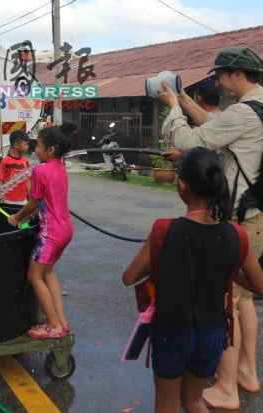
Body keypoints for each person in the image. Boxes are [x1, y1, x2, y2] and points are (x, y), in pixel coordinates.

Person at [156, 47, 263, 410]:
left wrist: (172, 106)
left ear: (236, 74)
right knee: (243, 297)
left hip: (239, 214)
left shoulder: (246, 113)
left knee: (225, 303)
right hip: (256, 214)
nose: (216, 82)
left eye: (219, 75)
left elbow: (189, 140)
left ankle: (227, 388)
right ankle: (246, 372)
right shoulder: (255, 108)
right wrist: (184, 96)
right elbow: (211, 126)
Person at [122, 147, 263, 413]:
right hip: (212, 332)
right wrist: (230, 271)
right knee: (195, 401)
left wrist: (154, 252)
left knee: (167, 405)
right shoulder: (236, 236)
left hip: (172, 331)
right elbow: (259, 286)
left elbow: (129, 277)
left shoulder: (163, 230)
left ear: (182, 184)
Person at [7, 123, 75, 338]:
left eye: (39, 147)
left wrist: (17, 218)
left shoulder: (41, 170)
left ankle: (54, 327)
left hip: (51, 234)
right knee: (48, 273)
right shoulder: (60, 167)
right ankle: (61, 321)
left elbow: (33, 202)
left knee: (34, 276)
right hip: (66, 230)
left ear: (51, 150)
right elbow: (48, 200)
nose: (35, 150)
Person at [0, 130, 31, 205]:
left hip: (23, 201)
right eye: (25, 144)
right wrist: (3, 198)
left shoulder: (25, 162)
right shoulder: (5, 162)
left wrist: (30, 199)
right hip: (8, 200)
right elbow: (0, 181)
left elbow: (28, 181)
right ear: (16, 145)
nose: (27, 147)